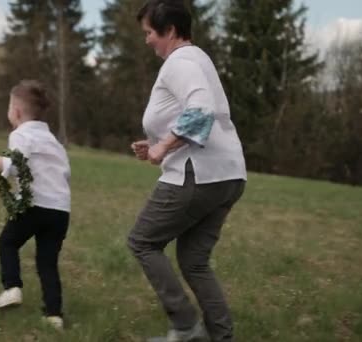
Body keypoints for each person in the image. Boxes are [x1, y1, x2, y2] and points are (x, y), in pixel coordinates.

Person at [127, 1, 247, 341]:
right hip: (229, 174)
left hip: (198, 174)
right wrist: (154, 143)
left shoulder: (180, 61)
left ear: (171, 31)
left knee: (142, 241)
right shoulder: (198, 59)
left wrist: (163, 147)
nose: (147, 40)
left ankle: (185, 327)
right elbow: (195, 113)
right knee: (193, 259)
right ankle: (220, 337)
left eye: (150, 32)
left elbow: (200, 109)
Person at [0, 80, 71, 330]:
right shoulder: (54, 141)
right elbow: (65, 175)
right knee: (47, 262)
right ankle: (53, 315)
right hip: (60, 210)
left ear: (17, 112)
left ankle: (12, 287)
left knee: (7, 242)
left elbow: (14, 166)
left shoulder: (20, 134)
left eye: (9, 106)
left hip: (35, 205)